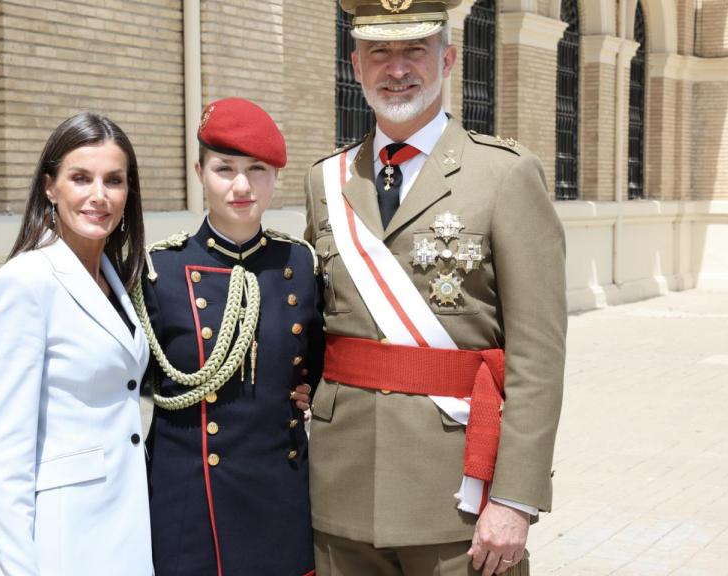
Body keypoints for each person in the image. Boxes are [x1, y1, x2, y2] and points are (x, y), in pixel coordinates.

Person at [303, 2, 567, 575]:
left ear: (447, 59)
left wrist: (515, 499)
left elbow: (538, 356)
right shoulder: (327, 181)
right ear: (356, 64)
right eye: (379, 52)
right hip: (340, 489)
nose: (396, 68)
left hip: (457, 501)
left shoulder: (504, 175)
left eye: (414, 50)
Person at [133, 97, 321, 576]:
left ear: (277, 175)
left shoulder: (299, 264)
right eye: (224, 168)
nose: (241, 185)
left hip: (280, 492)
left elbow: (322, 365)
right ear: (199, 171)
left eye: (257, 169)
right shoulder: (158, 270)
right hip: (189, 500)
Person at [0, 112, 151, 576]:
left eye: (114, 180)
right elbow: (2, 448)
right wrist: (16, 567)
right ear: (50, 187)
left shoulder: (118, 279)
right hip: (65, 536)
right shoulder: (24, 283)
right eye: (80, 178)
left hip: (127, 518)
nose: (99, 195)